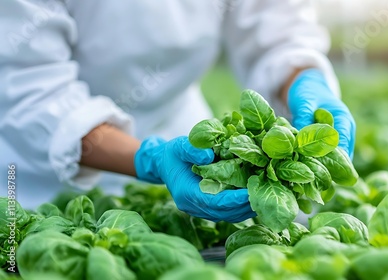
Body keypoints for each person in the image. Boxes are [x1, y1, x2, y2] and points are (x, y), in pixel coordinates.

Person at [0, 0, 355, 222]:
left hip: (184, 138)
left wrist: (306, 82)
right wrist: (148, 158)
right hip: (39, 167)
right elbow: (28, 85)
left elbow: (278, 27)